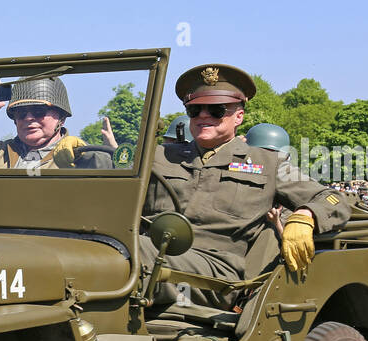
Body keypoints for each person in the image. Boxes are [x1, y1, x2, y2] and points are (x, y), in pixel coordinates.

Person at [141, 63, 350, 305]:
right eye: (195, 110)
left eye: (216, 109)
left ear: (238, 116)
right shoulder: (158, 157)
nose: (203, 116)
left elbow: (333, 199)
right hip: (153, 254)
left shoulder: (268, 164)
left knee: (127, 254)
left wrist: (305, 216)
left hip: (216, 275)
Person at [0, 76, 114, 171]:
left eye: (39, 111)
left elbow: (116, 185)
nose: (28, 118)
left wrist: (107, 154)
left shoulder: (78, 156)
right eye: (20, 113)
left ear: (61, 117)